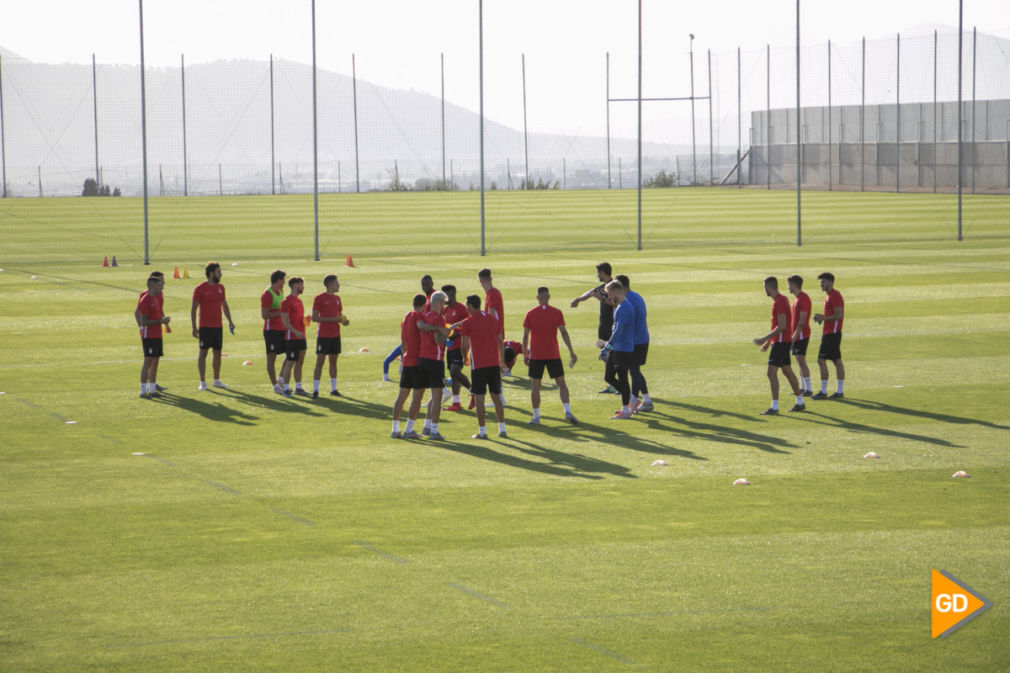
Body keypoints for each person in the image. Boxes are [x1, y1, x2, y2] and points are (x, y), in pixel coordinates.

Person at [451, 294, 507, 439]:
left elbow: (464, 345)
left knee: (480, 398)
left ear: (470, 306)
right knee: (496, 397)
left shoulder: (468, 322)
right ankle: (502, 429)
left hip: (479, 366)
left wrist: (465, 357)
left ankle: (482, 431)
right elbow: (500, 341)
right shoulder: (493, 319)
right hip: (494, 364)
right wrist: (501, 362)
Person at [522, 286, 578, 425]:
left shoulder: (530, 314)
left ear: (537, 298)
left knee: (535, 386)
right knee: (561, 383)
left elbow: (525, 336)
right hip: (553, 354)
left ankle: (536, 417)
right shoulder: (557, 313)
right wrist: (571, 351)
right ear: (548, 297)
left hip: (536, 355)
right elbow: (564, 333)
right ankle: (567, 411)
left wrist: (525, 354)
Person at [753, 276, 805, 415]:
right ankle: (800, 402)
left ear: (770, 287)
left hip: (781, 342)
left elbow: (781, 326)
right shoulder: (780, 300)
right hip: (781, 341)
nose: (764, 290)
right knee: (787, 371)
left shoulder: (779, 302)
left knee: (771, 373)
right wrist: (767, 343)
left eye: (764, 287)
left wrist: (764, 338)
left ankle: (775, 407)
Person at [571, 262, 617, 394]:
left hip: (612, 325)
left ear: (603, 272)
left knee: (613, 355)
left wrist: (601, 299)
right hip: (604, 325)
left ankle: (617, 383)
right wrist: (578, 300)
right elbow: (591, 292)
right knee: (605, 354)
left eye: (598, 272)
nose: (597, 275)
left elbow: (614, 302)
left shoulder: (614, 286)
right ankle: (611, 384)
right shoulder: (604, 287)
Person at [191, 262, 235, 391]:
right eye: (218, 272)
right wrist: (194, 327)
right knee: (203, 353)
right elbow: (193, 309)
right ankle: (203, 382)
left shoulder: (221, 287)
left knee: (217, 353)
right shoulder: (200, 289)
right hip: (205, 326)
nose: (221, 273)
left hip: (218, 326)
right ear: (211, 274)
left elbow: (224, 306)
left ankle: (216, 380)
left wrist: (230, 321)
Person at [383, 274, 435, 381]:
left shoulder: (434, 297)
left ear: (432, 283)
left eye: (427, 284)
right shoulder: (414, 315)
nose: (425, 287)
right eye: (423, 284)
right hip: (418, 341)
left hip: (426, 337)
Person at [416, 290, 452, 439]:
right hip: (435, 361)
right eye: (443, 302)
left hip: (422, 358)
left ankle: (426, 427)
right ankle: (434, 431)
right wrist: (447, 333)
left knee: (429, 396)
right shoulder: (438, 318)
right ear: (438, 303)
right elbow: (438, 340)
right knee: (437, 397)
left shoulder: (426, 316)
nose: (444, 306)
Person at [615, 274, 653, 413]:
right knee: (634, 369)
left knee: (634, 371)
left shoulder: (628, 300)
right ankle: (646, 400)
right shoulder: (636, 296)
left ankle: (633, 400)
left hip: (635, 341)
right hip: (641, 338)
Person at [392, 294, 428, 439]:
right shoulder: (419, 316)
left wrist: (402, 359)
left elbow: (403, 343)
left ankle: (395, 429)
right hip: (418, 361)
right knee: (417, 397)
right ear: (424, 304)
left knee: (401, 396)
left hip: (407, 360)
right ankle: (409, 429)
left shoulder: (405, 318)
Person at [600, 280, 637, 419]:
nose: (609, 296)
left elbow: (619, 330)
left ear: (616, 292)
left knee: (622, 378)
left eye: (610, 293)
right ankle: (630, 401)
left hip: (623, 349)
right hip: (617, 347)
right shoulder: (621, 306)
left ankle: (626, 410)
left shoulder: (625, 307)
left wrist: (608, 346)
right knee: (608, 377)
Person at [311, 274, 349, 398]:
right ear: (330, 285)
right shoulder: (319, 298)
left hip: (335, 334)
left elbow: (340, 315)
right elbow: (314, 317)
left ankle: (334, 389)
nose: (338, 286)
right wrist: (333, 319)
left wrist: (344, 321)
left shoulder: (338, 299)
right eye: (336, 283)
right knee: (320, 361)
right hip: (323, 335)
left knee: (333, 361)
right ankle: (315, 390)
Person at [812, 272, 846, 399]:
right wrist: (823, 318)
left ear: (831, 282)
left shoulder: (834, 296)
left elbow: (839, 315)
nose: (821, 285)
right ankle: (839, 391)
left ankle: (823, 391)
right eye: (821, 282)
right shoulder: (830, 296)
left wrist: (822, 317)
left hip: (832, 333)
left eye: (823, 282)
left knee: (821, 360)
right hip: (831, 332)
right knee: (836, 360)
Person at [137, 275, 171, 399]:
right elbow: (144, 321)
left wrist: (163, 321)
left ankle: (152, 390)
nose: (162, 286)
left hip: (157, 334)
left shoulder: (156, 298)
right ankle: (142, 391)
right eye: (159, 284)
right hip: (149, 335)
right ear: (152, 286)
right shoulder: (145, 300)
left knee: (155, 360)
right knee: (148, 361)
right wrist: (160, 321)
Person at [440, 284, 471, 411]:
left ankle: (473, 391)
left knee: (455, 371)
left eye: (449, 295)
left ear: (454, 294)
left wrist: (456, 334)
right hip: (450, 347)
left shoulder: (461, 309)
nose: (447, 298)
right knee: (454, 376)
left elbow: (468, 325)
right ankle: (456, 402)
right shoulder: (445, 310)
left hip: (459, 345)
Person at [278, 276, 309, 397]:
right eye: (301, 285)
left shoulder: (299, 301)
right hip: (292, 337)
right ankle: (285, 388)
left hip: (302, 336)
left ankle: (299, 388)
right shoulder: (286, 302)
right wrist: (295, 331)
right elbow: (285, 321)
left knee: (300, 362)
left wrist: (305, 320)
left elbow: (297, 319)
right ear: (295, 285)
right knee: (290, 362)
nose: (303, 287)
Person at [261, 270, 287, 389]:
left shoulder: (280, 291)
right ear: (278, 280)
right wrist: (280, 313)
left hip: (282, 328)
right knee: (271, 358)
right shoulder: (267, 294)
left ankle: (281, 379)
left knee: (292, 353)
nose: (285, 282)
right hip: (271, 330)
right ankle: (275, 385)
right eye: (283, 280)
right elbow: (264, 315)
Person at [787, 274, 813, 397]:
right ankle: (803, 388)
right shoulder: (797, 298)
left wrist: (794, 337)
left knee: (802, 361)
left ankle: (809, 389)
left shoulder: (804, 298)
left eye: (789, 284)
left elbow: (802, 322)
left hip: (802, 335)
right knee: (798, 361)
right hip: (797, 335)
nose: (788, 287)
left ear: (794, 285)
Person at [478, 267, 505, 364]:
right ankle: (502, 367)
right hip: (496, 328)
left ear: (480, 281)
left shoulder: (492, 294)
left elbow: (492, 313)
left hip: (493, 328)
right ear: (491, 278)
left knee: (495, 348)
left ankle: (502, 367)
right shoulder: (491, 293)